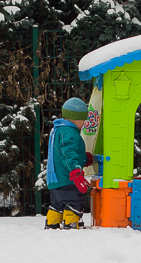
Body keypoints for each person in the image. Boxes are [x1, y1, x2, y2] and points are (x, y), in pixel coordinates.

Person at [45, 97, 92, 230]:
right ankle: (71, 224)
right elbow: (68, 154)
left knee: (57, 204)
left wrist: (83, 159)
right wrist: (76, 173)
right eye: (83, 121)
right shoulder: (69, 132)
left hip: (56, 180)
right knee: (73, 201)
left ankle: (52, 224)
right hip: (68, 178)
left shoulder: (59, 129)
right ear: (75, 119)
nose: (84, 124)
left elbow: (62, 153)